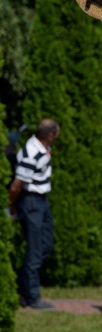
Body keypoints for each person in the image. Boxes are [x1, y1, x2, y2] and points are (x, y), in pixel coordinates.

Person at [9, 119, 60, 310]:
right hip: (31, 202)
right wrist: (12, 205)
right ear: (50, 135)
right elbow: (17, 185)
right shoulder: (31, 153)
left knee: (45, 245)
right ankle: (32, 297)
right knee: (35, 250)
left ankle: (23, 288)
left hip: (42, 201)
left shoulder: (43, 146)